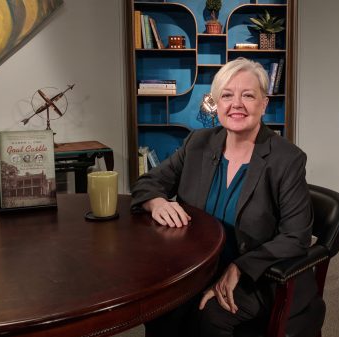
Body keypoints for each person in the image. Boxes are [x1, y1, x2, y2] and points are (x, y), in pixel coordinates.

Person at [131, 57, 315, 337]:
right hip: (197, 267)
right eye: (227, 95)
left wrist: (240, 267)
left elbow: (296, 236)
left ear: (264, 104)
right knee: (160, 306)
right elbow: (148, 182)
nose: (236, 104)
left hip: (259, 274)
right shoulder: (198, 143)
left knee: (211, 317)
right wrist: (156, 201)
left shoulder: (286, 159)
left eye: (248, 95)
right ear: (217, 103)